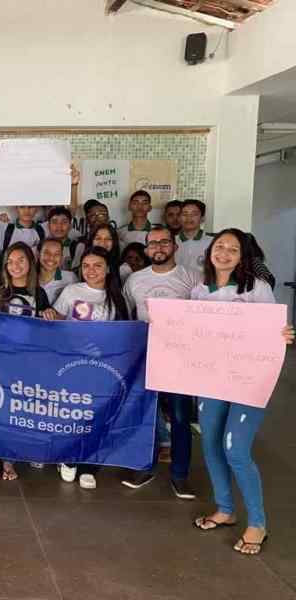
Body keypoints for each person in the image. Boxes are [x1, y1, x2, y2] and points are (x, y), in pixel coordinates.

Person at [191, 228, 294, 556]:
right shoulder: (198, 291)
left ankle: (258, 523)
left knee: (235, 448)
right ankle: (225, 508)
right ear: (210, 251)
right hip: (211, 380)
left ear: (242, 256)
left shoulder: (256, 288)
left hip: (249, 379)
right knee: (209, 444)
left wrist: (284, 335)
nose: (223, 254)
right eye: (219, 247)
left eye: (232, 249)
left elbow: (273, 332)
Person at [121, 226, 200, 499]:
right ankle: (145, 466)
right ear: (146, 249)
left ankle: (180, 475)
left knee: (180, 416)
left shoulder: (193, 278)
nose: (158, 247)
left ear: (174, 246)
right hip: (145, 356)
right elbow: (130, 314)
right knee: (147, 414)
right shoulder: (134, 280)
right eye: (153, 243)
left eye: (164, 242)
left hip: (180, 359)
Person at [50, 246, 129, 490]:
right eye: (86, 266)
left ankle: (89, 465)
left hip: (104, 370)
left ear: (107, 269)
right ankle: (68, 457)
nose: (91, 270)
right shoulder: (72, 291)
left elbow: (125, 334)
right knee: (70, 413)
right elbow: (58, 322)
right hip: (72, 366)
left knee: (96, 417)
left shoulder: (119, 297)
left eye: (97, 265)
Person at [0, 241, 54, 481]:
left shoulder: (38, 293)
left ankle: (10, 460)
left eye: (21, 260)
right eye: (10, 261)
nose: (15, 265)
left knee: (16, 410)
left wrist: (49, 315)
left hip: (25, 362)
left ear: (30, 263)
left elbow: (46, 327)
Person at [0, 163, 80, 252]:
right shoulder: (4, 228)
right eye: (22, 207)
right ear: (16, 208)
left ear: (37, 208)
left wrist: (74, 185)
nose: (27, 211)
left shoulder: (44, 229)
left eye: (31, 206)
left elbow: (70, 213)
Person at [174, 199, 212, 273]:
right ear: (179, 218)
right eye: (185, 214)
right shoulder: (171, 241)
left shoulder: (212, 242)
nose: (189, 218)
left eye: (194, 214)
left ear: (202, 218)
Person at [37, 238, 78, 305]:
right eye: (47, 253)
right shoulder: (29, 276)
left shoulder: (70, 278)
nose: (51, 258)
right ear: (38, 254)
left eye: (57, 254)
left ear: (61, 257)